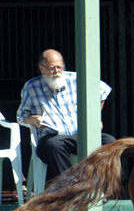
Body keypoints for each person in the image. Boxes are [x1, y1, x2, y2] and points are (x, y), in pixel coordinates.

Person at [17, 49, 115, 182]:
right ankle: (72, 187)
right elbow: (21, 115)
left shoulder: (74, 79)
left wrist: (95, 117)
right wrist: (33, 120)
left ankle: (101, 185)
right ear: (41, 68)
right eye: (52, 68)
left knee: (109, 141)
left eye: (59, 67)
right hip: (53, 136)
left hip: (80, 133)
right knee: (54, 145)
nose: (57, 72)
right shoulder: (31, 87)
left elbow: (103, 91)